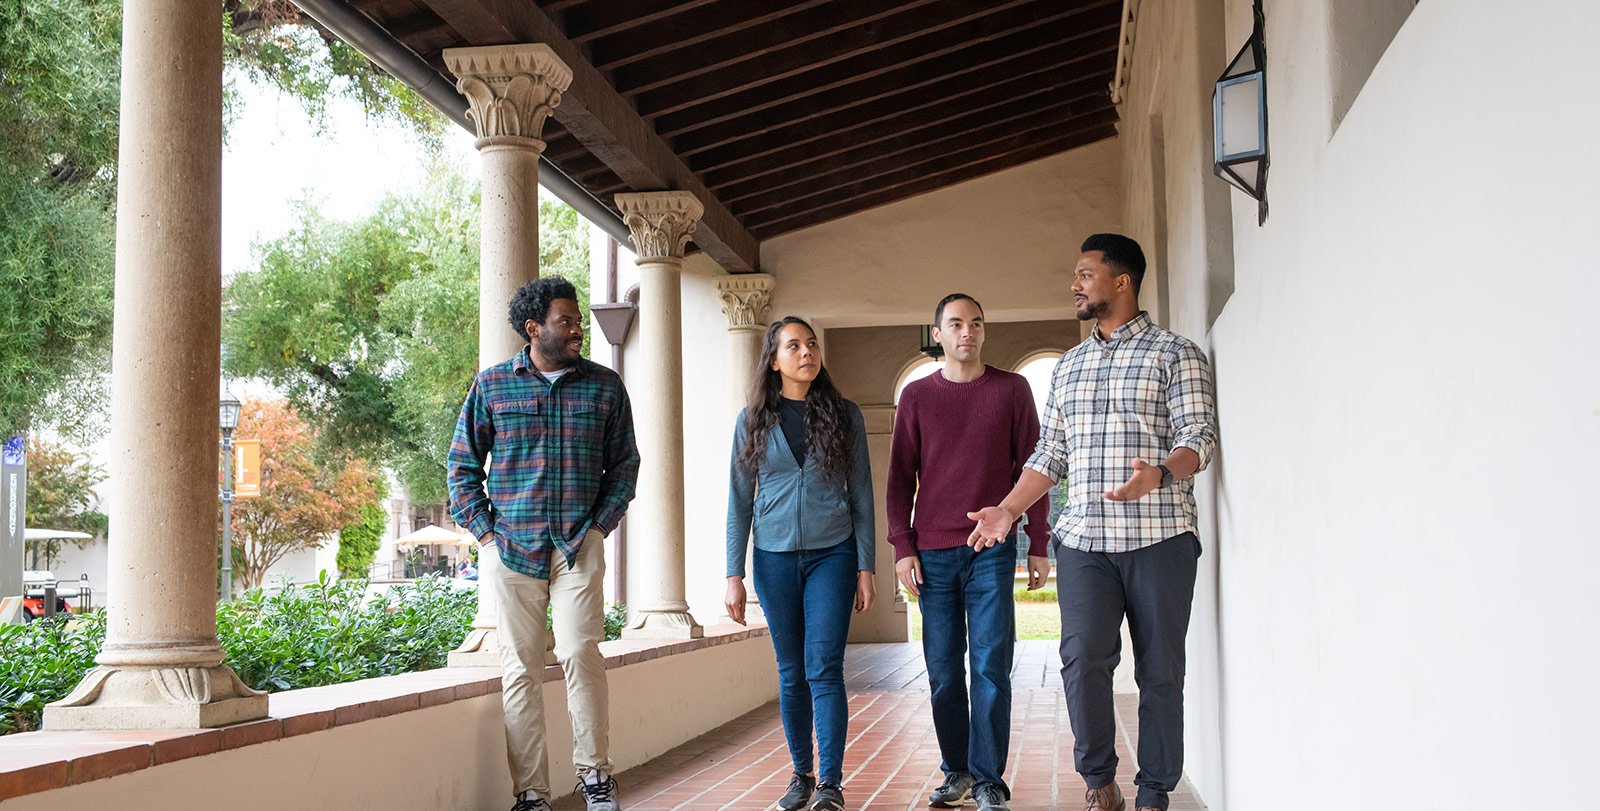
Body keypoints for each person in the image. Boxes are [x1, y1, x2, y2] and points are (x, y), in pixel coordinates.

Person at [967, 234, 1217, 811]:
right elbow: (1049, 453)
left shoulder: (1175, 354)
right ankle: (1099, 783)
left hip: (1160, 539)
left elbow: (1200, 439)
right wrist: (1008, 508)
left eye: (1085, 274)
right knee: (1082, 663)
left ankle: (1155, 790)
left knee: (1160, 670)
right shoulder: (1069, 367)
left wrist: (1159, 472)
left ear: (1122, 282)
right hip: (1083, 543)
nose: (1075, 284)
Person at [448, 276, 640, 811]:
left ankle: (595, 776)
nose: (578, 329)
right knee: (521, 668)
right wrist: (486, 535)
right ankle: (531, 792)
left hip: (579, 544)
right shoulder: (492, 386)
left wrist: (601, 525)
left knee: (581, 652)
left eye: (577, 320)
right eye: (567, 321)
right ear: (534, 328)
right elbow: (461, 467)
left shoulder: (604, 386)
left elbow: (624, 464)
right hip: (512, 549)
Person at [886, 293, 1052, 811]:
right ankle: (955, 770)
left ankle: (987, 780)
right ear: (937, 334)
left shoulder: (1012, 390)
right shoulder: (916, 396)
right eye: (956, 324)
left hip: (992, 547)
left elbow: (1036, 466)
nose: (968, 332)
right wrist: (902, 547)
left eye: (976, 323)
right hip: (932, 553)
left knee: (989, 666)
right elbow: (898, 480)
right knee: (940, 670)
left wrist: (1038, 543)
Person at [724, 316, 876, 811]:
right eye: (794, 346)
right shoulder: (751, 421)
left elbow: (862, 496)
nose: (807, 352)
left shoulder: (845, 413)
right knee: (791, 671)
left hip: (834, 554)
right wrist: (734, 575)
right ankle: (801, 775)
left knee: (824, 667)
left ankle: (830, 783)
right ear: (773, 360)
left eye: (811, 344)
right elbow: (739, 501)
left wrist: (866, 566)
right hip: (772, 559)